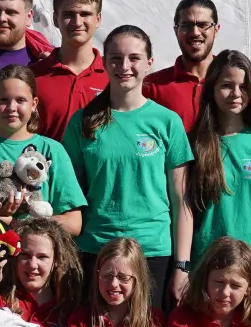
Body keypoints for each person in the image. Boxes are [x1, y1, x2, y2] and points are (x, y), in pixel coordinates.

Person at [62, 25, 193, 309]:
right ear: (104, 63)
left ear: (149, 63)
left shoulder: (167, 122)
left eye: (134, 58)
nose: (125, 66)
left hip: (153, 252)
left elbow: (181, 201)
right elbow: (70, 199)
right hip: (96, 250)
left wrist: (182, 266)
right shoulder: (82, 122)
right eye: (115, 58)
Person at [0, 64, 86, 294]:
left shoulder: (52, 151)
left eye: (20, 100)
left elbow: (74, 223)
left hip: (39, 281)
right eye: (3, 100)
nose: (11, 108)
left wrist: (21, 224)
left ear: (34, 104)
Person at [187, 51, 251, 300]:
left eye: (243, 86)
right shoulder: (194, 144)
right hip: (206, 270)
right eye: (227, 86)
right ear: (212, 88)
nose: (236, 94)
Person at [142, 0, 251, 134]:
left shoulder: (240, 82)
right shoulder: (152, 86)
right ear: (176, 30)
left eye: (203, 25)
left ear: (216, 30)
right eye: (186, 25)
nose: (195, 32)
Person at [32, 0, 108, 142]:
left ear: (98, 19)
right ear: (55, 19)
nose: (77, 22)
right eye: (68, 14)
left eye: (85, 14)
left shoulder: (114, 76)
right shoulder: (32, 76)